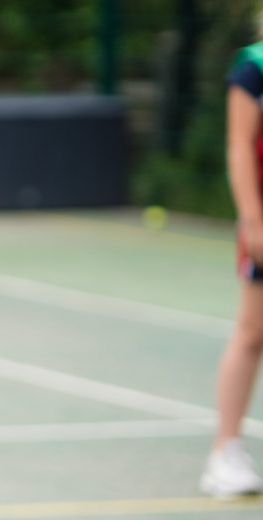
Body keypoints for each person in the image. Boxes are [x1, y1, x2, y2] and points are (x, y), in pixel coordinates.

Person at [202, 4, 263, 499]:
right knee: (252, 331)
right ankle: (225, 450)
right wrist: (253, 219)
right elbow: (239, 146)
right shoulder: (254, 67)